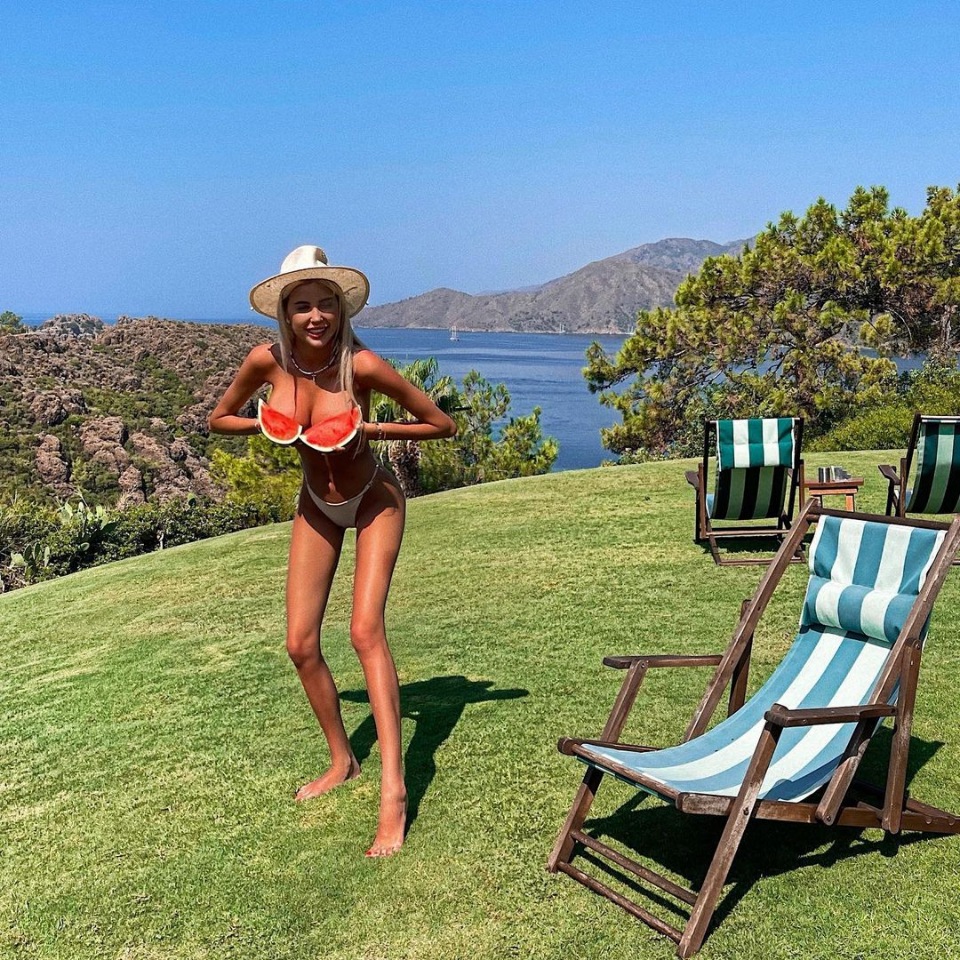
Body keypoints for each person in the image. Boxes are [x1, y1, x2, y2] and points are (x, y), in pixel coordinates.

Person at [208, 245, 456, 857]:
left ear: (341, 310)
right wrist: (268, 423)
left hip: (374, 498)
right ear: (285, 314)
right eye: (302, 306)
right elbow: (219, 419)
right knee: (299, 644)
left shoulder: (363, 365)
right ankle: (342, 759)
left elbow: (440, 424)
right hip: (315, 503)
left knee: (365, 631)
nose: (315, 315)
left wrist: (369, 429)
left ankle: (394, 792)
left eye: (326, 304)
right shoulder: (265, 362)